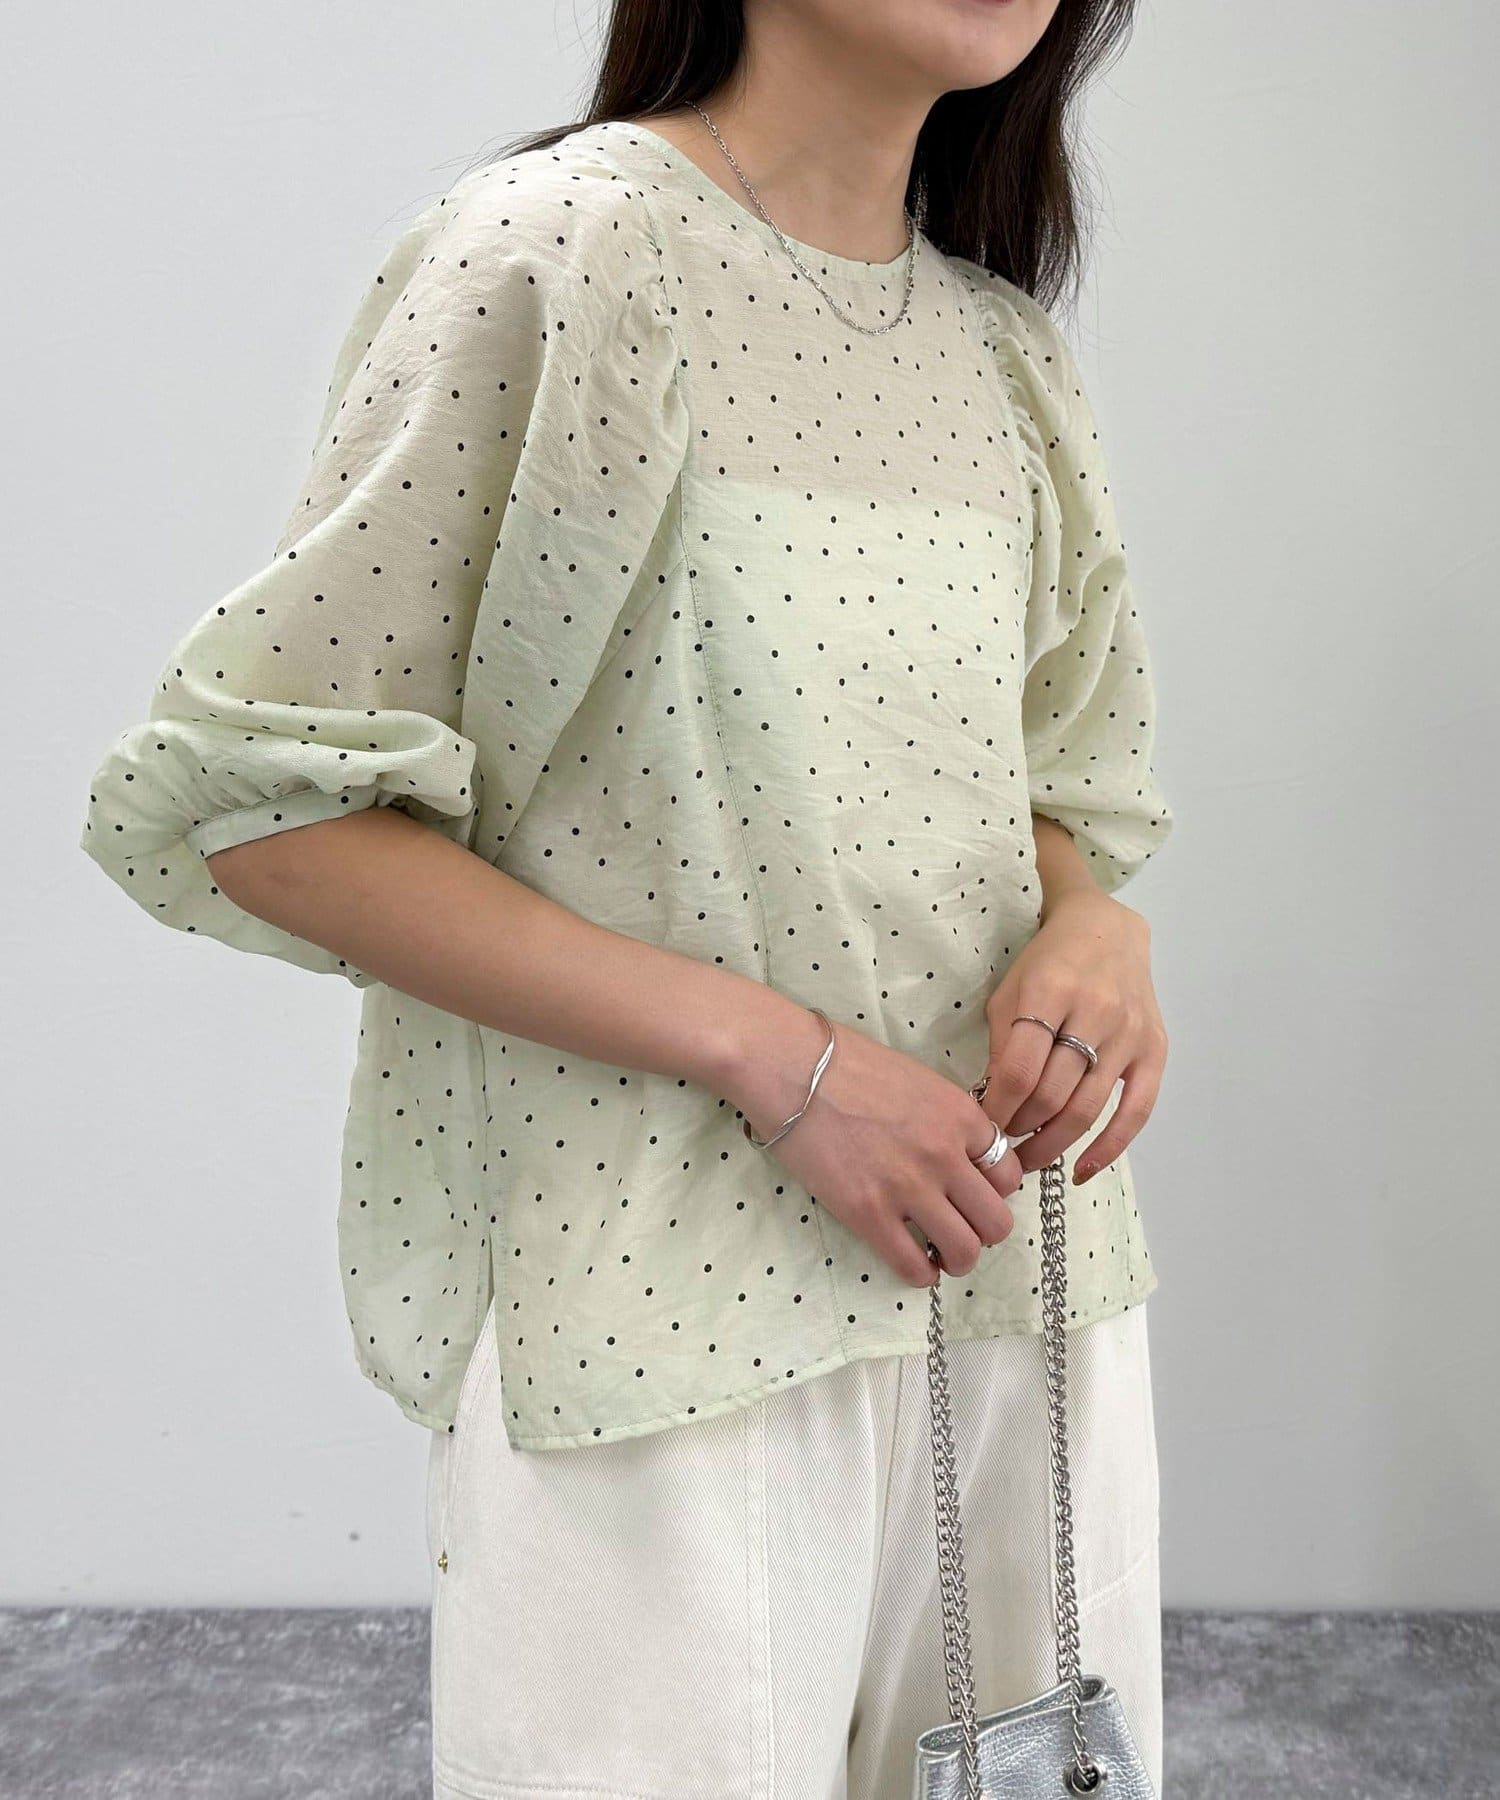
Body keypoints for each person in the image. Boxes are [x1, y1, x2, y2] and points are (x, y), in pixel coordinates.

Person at [79, 1, 1176, 1793]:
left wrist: (1095, 931)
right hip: (660, 1306)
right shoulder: (565, 253)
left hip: (1016, 1285)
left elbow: (1049, 786)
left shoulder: (1006, 357)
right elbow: (267, 809)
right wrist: (780, 1059)